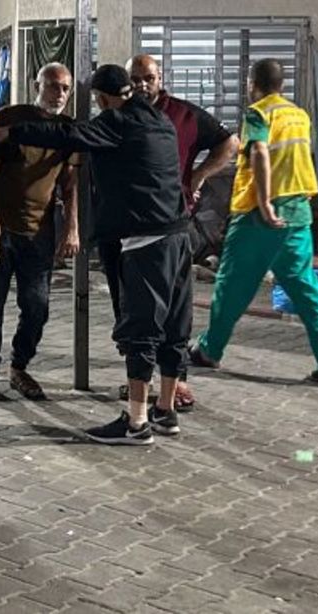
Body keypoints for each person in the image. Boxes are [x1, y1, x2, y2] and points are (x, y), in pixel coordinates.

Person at [0, 64, 191, 445]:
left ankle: (136, 422)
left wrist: (6, 133)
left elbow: (62, 134)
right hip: (179, 238)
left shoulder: (117, 123)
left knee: (140, 330)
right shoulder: (160, 121)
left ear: (102, 98)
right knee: (175, 328)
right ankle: (165, 410)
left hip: (147, 243)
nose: (59, 94)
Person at [190, 59, 318, 388]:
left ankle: (209, 350)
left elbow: (260, 153)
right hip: (298, 212)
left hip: (259, 218)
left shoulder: (257, 113)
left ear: (251, 84)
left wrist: (263, 203)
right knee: (305, 291)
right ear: (283, 85)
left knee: (232, 287)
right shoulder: (299, 116)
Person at [104, 54, 240, 410]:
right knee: (132, 310)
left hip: (171, 228)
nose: (142, 85)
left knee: (173, 313)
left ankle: (170, 389)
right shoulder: (118, 117)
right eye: (135, 79)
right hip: (127, 229)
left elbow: (229, 143)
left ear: (160, 78)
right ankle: (143, 387)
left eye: (149, 78)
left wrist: (198, 176)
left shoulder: (182, 115)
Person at [0, 63, 80, 402]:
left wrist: (71, 228)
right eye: (53, 86)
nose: (59, 94)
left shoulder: (67, 130)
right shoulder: (13, 117)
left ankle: (19, 366)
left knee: (37, 305)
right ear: (37, 85)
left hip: (39, 232)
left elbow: (69, 184)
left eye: (65, 88)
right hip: (2, 229)